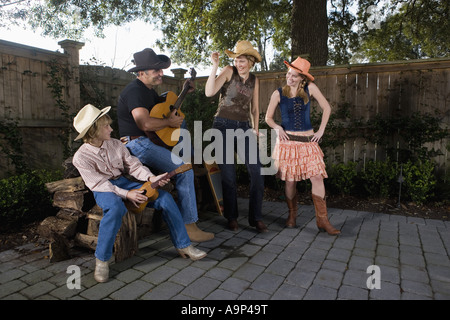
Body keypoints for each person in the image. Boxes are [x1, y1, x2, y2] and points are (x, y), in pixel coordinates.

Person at [72, 104, 207, 283]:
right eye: (106, 126)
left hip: (122, 181)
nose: (111, 129)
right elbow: (99, 183)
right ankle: (102, 260)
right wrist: (127, 195)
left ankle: (184, 246)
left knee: (165, 198)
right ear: (93, 130)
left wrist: (151, 178)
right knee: (115, 208)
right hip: (104, 188)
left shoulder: (115, 144)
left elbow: (133, 166)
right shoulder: (80, 157)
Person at [117, 48, 214, 243]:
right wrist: (170, 123)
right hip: (137, 145)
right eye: (156, 71)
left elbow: (165, 114)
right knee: (184, 170)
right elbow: (144, 123)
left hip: (149, 141)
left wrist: (184, 92)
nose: (161, 73)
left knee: (183, 129)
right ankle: (189, 226)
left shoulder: (149, 93)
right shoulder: (135, 91)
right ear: (141, 72)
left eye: (161, 69)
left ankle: (191, 157)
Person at [265, 57, 340, 235]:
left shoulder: (310, 88)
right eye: (288, 74)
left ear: (302, 78)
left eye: (294, 76)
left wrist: (321, 131)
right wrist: (276, 128)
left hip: (308, 142)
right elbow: (268, 118)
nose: (289, 78)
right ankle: (292, 215)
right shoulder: (278, 93)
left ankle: (323, 220)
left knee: (317, 177)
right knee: (290, 181)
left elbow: (327, 108)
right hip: (288, 143)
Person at [205, 40, 267, 233]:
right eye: (237, 60)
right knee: (229, 176)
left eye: (243, 61)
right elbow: (209, 92)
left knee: (257, 172)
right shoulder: (228, 71)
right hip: (222, 125)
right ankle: (231, 217)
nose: (239, 64)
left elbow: (255, 109)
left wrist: (255, 129)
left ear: (250, 62)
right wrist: (214, 66)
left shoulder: (255, 80)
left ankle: (255, 218)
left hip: (244, 127)